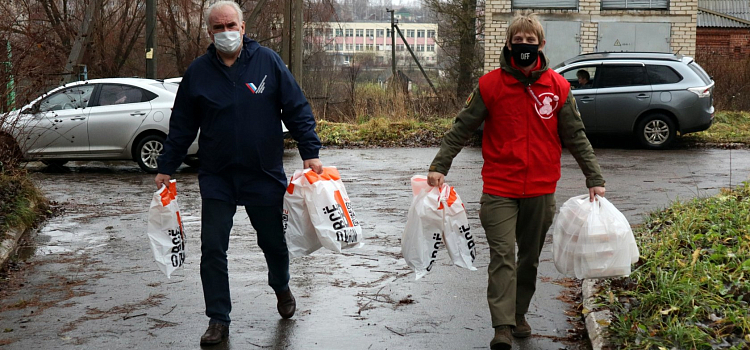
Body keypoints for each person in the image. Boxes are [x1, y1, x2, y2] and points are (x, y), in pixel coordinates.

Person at [426, 12, 606, 350]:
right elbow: (462, 127)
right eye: (518, 41)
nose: (524, 46)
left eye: (530, 40)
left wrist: (593, 177)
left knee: (529, 259)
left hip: (541, 188)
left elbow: (576, 136)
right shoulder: (490, 85)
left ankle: (519, 312)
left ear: (541, 44)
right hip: (499, 188)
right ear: (509, 44)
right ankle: (503, 327)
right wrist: (440, 165)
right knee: (503, 255)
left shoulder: (558, 86)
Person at [153, 1, 323, 346]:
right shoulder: (198, 72)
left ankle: (281, 286)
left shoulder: (268, 62)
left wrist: (310, 152)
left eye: (231, 25)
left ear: (243, 28)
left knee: (273, 242)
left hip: (263, 174)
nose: (226, 32)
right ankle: (218, 319)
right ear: (209, 32)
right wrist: (166, 166)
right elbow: (182, 125)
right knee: (213, 248)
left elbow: (296, 106)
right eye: (218, 27)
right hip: (217, 176)